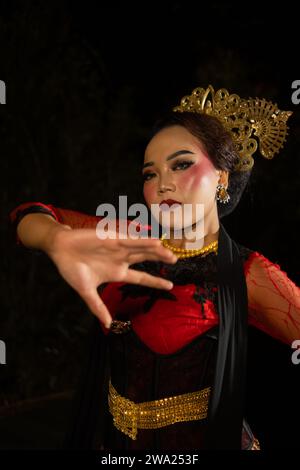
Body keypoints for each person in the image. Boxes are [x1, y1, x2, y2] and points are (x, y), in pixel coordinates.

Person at [10, 85, 300, 450]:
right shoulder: (125, 238)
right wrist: (53, 239)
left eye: (181, 165)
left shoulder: (248, 273)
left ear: (222, 177)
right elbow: (28, 216)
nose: (163, 183)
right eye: (150, 174)